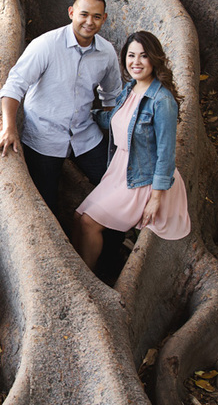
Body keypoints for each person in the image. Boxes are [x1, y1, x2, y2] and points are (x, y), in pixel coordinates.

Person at [0, 0, 122, 211]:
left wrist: (117, 139)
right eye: (84, 14)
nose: (89, 22)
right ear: (71, 13)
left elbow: (111, 96)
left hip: (84, 133)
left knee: (116, 186)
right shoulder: (47, 45)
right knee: (46, 204)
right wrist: (8, 128)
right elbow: (14, 85)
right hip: (43, 136)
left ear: (104, 19)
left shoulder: (106, 52)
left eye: (96, 17)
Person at [73, 31, 191, 270]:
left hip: (144, 179)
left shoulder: (162, 101)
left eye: (143, 56)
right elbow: (117, 122)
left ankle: (88, 278)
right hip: (120, 169)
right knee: (78, 218)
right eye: (131, 55)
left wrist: (155, 199)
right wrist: (88, 114)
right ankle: (79, 274)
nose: (136, 62)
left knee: (88, 223)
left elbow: (167, 154)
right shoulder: (129, 90)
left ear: (154, 59)